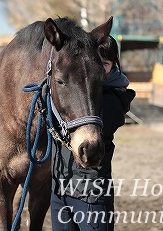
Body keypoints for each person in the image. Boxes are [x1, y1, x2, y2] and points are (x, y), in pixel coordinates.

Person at [51, 35, 136, 231]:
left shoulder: (113, 98)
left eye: (104, 64)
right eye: (94, 62)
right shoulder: (80, 94)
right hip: (60, 191)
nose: (98, 70)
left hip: (91, 194)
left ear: (114, 64)